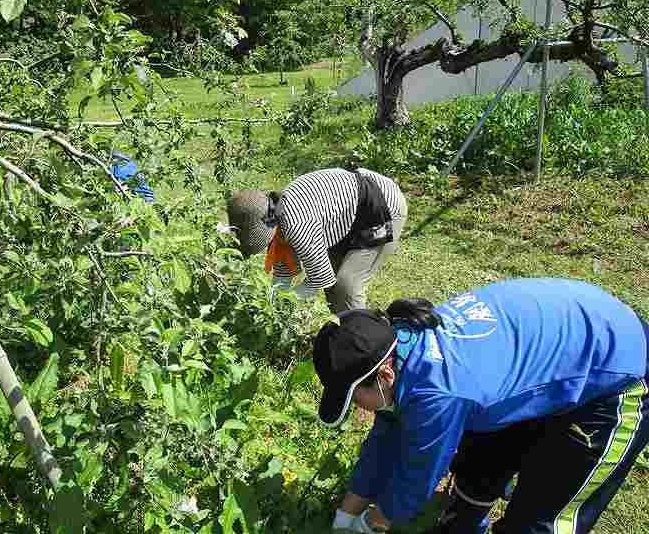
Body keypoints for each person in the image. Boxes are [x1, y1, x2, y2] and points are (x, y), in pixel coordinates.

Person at [312, 278, 649, 533]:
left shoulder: (439, 391)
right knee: (479, 464)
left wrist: (367, 524)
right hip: (555, 353)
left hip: (618, 367)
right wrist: (344, 516)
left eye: (357, 398)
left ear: (384, 374)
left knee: (538, 521)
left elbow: (414, 482)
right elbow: (385, 440)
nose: (363, 408)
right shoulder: (401, 342)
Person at [226, 167, 407, 314]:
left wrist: (274, 307)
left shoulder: (297, 224)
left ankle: (364, 346)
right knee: (334, 285)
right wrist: (269, 301)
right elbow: (283, 275)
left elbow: (318, 281)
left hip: (383, 206)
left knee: (346, 285)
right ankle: (343, 334)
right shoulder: (276, 213)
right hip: (352, 210)